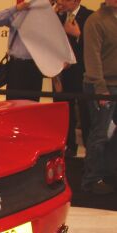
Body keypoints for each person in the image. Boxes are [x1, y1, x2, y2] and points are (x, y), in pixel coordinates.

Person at [81, 0, 117, 195]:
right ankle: (91, 179)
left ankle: (110, 173)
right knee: (100, 134)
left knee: (113, 136)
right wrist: (100, 89)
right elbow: (92, 58)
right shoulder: (95, 21)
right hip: (101, 86)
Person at [54, 0, 93, 157]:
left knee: (86, 112)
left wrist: (78, 35)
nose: (60, 2)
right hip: (63, 74)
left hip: (85, 73)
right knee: (64, 111)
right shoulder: (56, 17)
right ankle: (68, 147)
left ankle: (89, 148)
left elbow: (95, 46)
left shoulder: (90, 17)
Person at [0, 2, 43, 101]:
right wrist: (16, 8)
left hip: (36, 66)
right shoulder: (17, 13)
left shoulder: (43, 16)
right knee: (14, 102)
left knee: (33, 103)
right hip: (17, 65)